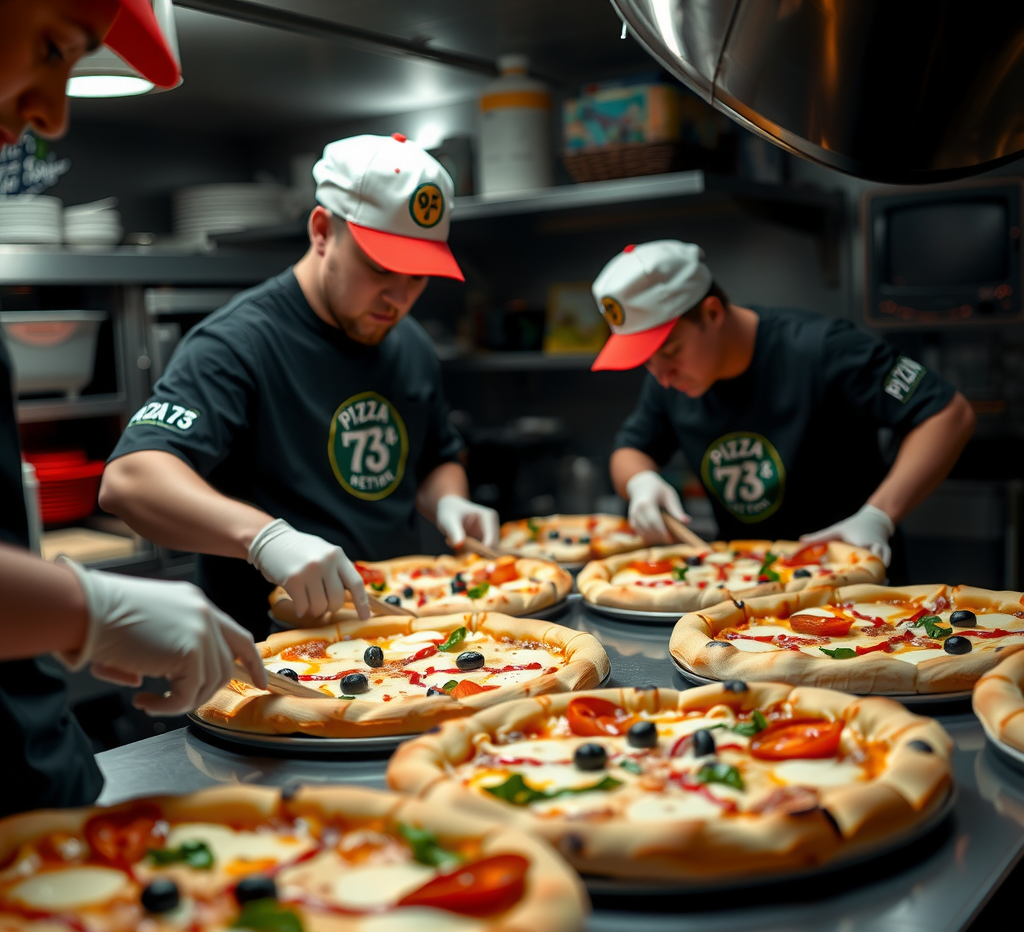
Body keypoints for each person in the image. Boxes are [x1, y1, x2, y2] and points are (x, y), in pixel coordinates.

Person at [0, 0, 266, 816]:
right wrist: (87, 608)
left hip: (43, 788)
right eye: (54, 47)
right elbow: (131, 478)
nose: (53, 116)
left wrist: (58, 616)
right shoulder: (243, 335)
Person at [99, 133, 498, 638]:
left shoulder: (410, 343)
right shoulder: (237, 342)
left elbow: (436, 456)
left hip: (397, 637)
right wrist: (265, 538)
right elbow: (129, 480)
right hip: (274, 651)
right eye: (380, 268)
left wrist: (448, 503)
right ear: (323, 231)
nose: (398, 298)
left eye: (418, 276)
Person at [593, 241, 976, 572]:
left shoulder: (823, 348)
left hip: (852, 579)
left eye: (670, 351)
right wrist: (640, 482)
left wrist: (879, 516)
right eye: (646, 361)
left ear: (712, 313)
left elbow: (948, 413)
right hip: (747, 584)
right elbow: (630, 450)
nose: (661, 376)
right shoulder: (671, 380)